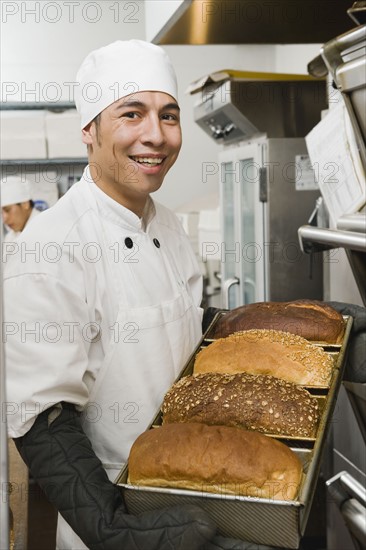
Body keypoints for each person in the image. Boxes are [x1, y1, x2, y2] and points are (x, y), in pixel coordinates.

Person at [4, 40, 272, 550]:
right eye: (132, 113)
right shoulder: (50, 246)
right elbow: (42, 416)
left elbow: (186, 328)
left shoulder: (167, 225)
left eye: (169, 116)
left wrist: (275, 327)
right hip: (116, 507)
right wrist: (111, 527)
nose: (156, 134)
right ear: (89, 129)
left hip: (195, 485)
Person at [1, 176, 40, 243]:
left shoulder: (46, 230)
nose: (4, 219)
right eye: (1, 213)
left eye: (7, 210)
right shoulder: (10, 238)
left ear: (25, 204)